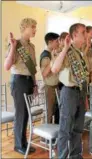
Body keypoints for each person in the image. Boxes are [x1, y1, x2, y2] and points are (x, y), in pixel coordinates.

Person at [51, 23, 89, 159]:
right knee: (65, 130)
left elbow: (84, 77)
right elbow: (54, 69)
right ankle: (62, 156)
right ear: (74, 35)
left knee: (78, 129)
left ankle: (76, 155)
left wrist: (85, 98)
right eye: (83, 32)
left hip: (80, 92)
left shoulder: (81, 53)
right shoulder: (64, 51)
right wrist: (66, 47)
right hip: (69, 93)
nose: (86, 35)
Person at [4, 18, 37, 155]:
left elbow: (32, 68)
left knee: (26, 115)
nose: (35, 29)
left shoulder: (32, 46)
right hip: (19, 81)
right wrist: (12, 46)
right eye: (33, 27)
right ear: (25, 27)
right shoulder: (15, 44)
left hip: (29, 81)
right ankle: (18, 145)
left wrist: (34, 84)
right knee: (20, 114)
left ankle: (24, 142)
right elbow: (7, 66)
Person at [39, 32, 59, 124]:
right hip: (49, 87)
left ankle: (53, 137)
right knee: (48, 113)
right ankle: (44, 138)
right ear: (50, 42)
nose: (58, 43)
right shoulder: (45, 55)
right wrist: (53, 60)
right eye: (56, 41)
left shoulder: (53, 53)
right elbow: (44, 73)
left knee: (56, 112)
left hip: (55, 86)